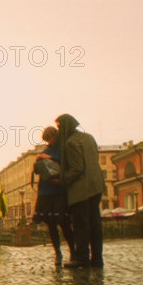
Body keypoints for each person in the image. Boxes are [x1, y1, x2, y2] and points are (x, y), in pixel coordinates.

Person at [56, 114, 105, 268]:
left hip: (81, 192)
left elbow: (77, 169)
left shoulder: (70, 143)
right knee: (95, 224)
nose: (58, 131)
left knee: (81, 225)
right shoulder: (89, 137)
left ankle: (82, 259)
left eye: (59, 127)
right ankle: (97, 259)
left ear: (65, 127)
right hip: (96, 187)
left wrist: (62, 179)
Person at [33, 126, 75, 266]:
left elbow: (66, 161)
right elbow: (37, 170)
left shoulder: (63, 148)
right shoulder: (47, 149)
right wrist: (37, 161)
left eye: (50, 139)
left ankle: (73, 252)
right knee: (51, 225)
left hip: (58, 192)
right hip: (46, 192)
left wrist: (48, 157)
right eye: (47, 140)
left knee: (64, 223)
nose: (49, 142)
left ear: (55, 136)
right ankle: (58, 253)